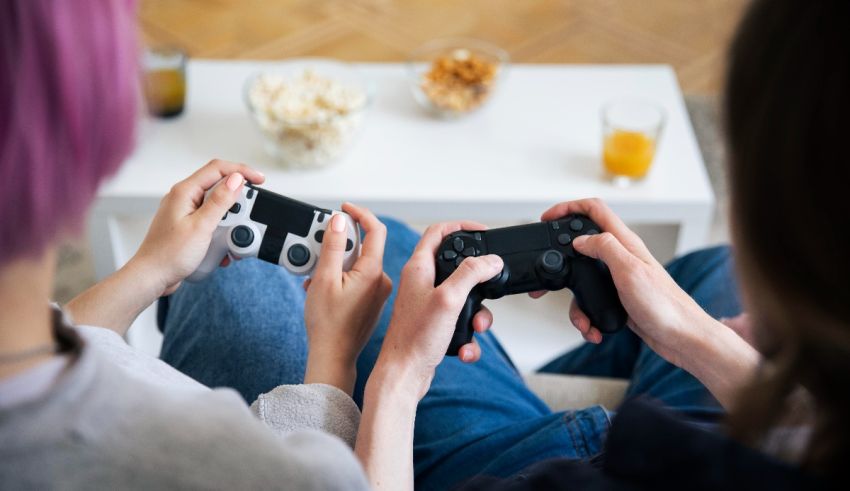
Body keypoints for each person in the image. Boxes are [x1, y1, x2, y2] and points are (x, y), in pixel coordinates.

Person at [159, 0, 847, 489]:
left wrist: (393, 376)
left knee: (239, 269)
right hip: (703, 428)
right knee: (705, 270)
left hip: (527, 462)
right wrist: (693, 335)